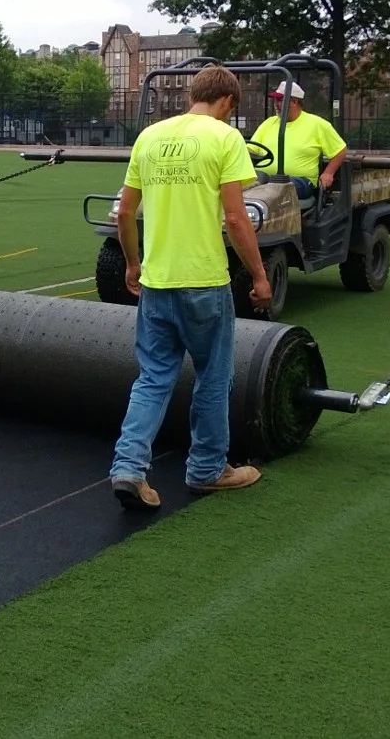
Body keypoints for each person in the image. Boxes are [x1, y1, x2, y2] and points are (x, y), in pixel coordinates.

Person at [108, 64, 273, 512]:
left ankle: (128, 467)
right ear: (227, 102)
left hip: (157, 284)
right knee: (214, 376)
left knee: (153, 379)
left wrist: (132, 263)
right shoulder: (225, 139)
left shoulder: (150, 137)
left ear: (191, 96)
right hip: (203, 284)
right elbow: (237, 218)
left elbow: (125, 213)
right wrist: (259, 276)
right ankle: (207, 469)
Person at [248, 80, 348, 198]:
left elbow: (340, 150)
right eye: (276, 100)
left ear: (295, 102)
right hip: (265, 179)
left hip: (301, 182)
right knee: (246, 182)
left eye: (280, 100)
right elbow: (251, 149)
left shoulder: (317, 124)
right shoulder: (268, 123)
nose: (276, 104)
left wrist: (328, 173)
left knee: (279, 186)